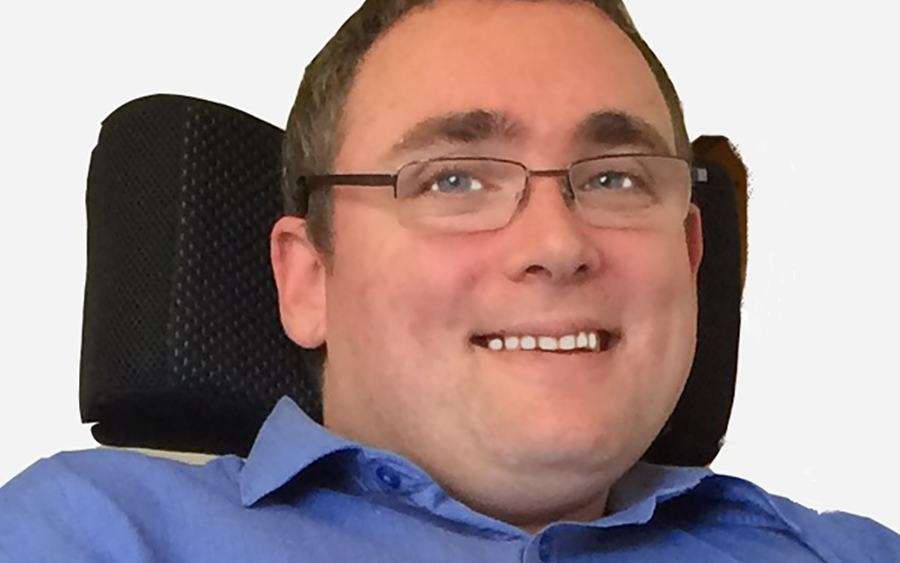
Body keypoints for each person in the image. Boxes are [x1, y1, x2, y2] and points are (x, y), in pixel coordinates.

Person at [0, 0, 898, 561]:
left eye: (616, 177)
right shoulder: (90, 534)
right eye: (454, 179)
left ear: (692, 258)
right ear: (307, 277)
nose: (557, 241)